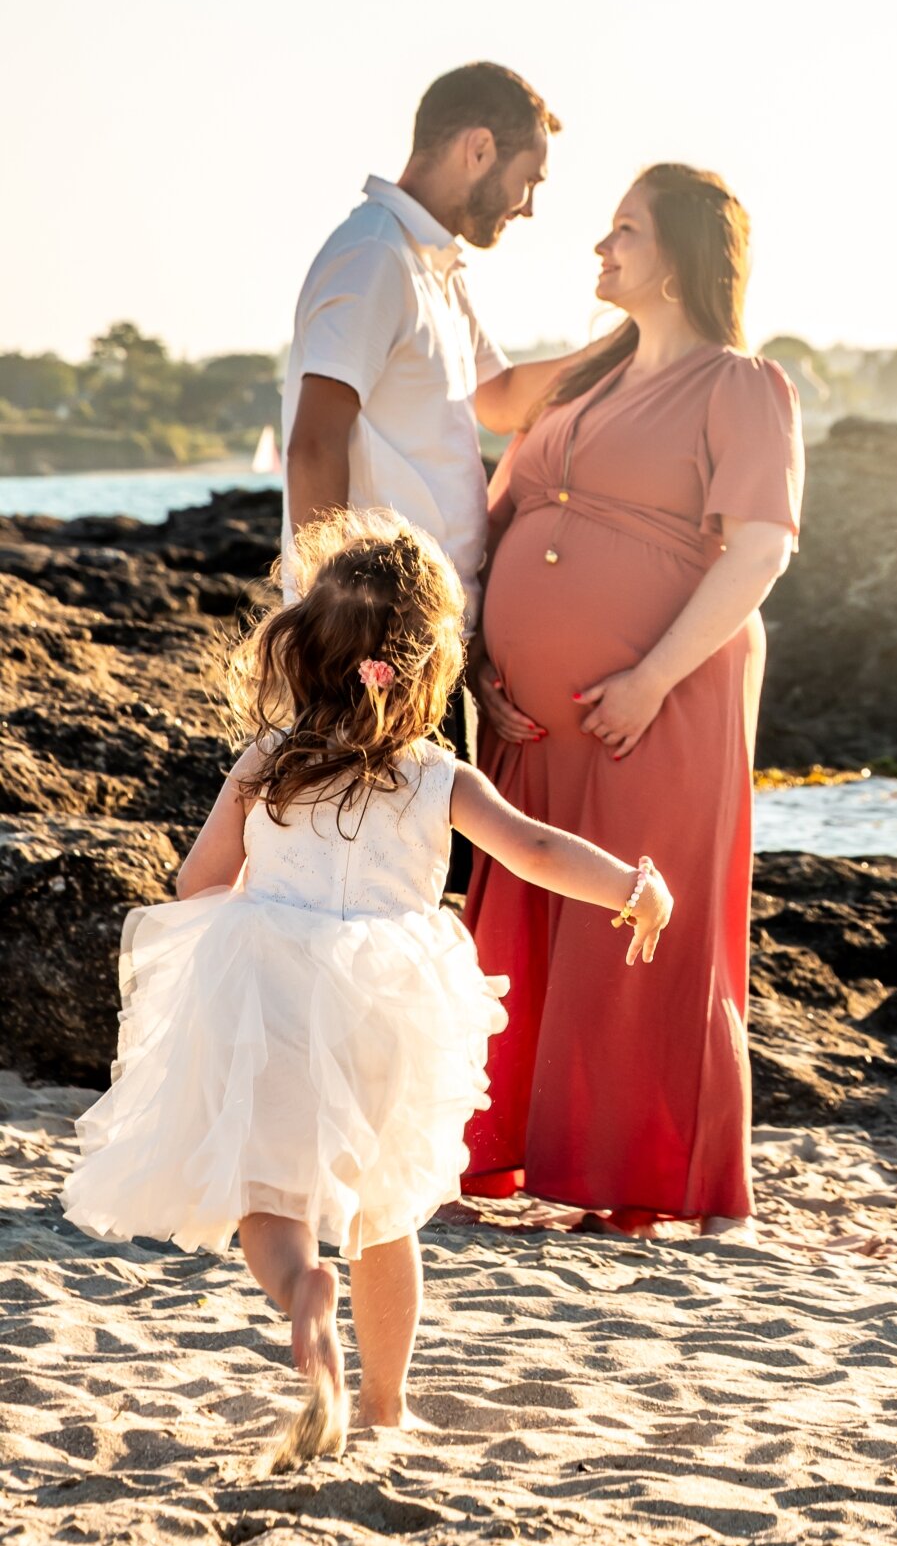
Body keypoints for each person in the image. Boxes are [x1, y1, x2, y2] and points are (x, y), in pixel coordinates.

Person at [62, 510, 672, 1464]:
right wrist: (633, 887)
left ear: (304, 651)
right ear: (433, 664)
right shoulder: (440, 776)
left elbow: (194, 883)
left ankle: (303, 1291)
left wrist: (268, 887)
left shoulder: (267, 763)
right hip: (389, 1002)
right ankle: (387, 1406)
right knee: (387, 1211)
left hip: (265, 985)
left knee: (270, 1198)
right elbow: (537, 851)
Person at [464, 163, 805, 1238]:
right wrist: (480, 666)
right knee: (531, 918)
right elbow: (490, 483)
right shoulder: (584, 381)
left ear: (682, 256)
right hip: (528, 712)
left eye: (624, 231)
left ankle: (649, 1180)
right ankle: (526, 1154)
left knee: (642, 928)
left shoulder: (739, 385)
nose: (600, 249)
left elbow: (758, 548)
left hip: (660, 705)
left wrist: (651, 677)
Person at [281, 61, 589, 887]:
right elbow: (313, 443)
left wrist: (642, 340)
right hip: (368, 647)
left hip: (428, 641)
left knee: (418, 897)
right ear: (479, 148)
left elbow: (499, 399)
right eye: (529, 182)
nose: (528, 206)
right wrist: (331, 634)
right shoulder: (372, 257)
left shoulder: (435, 268)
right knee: (367, 898)